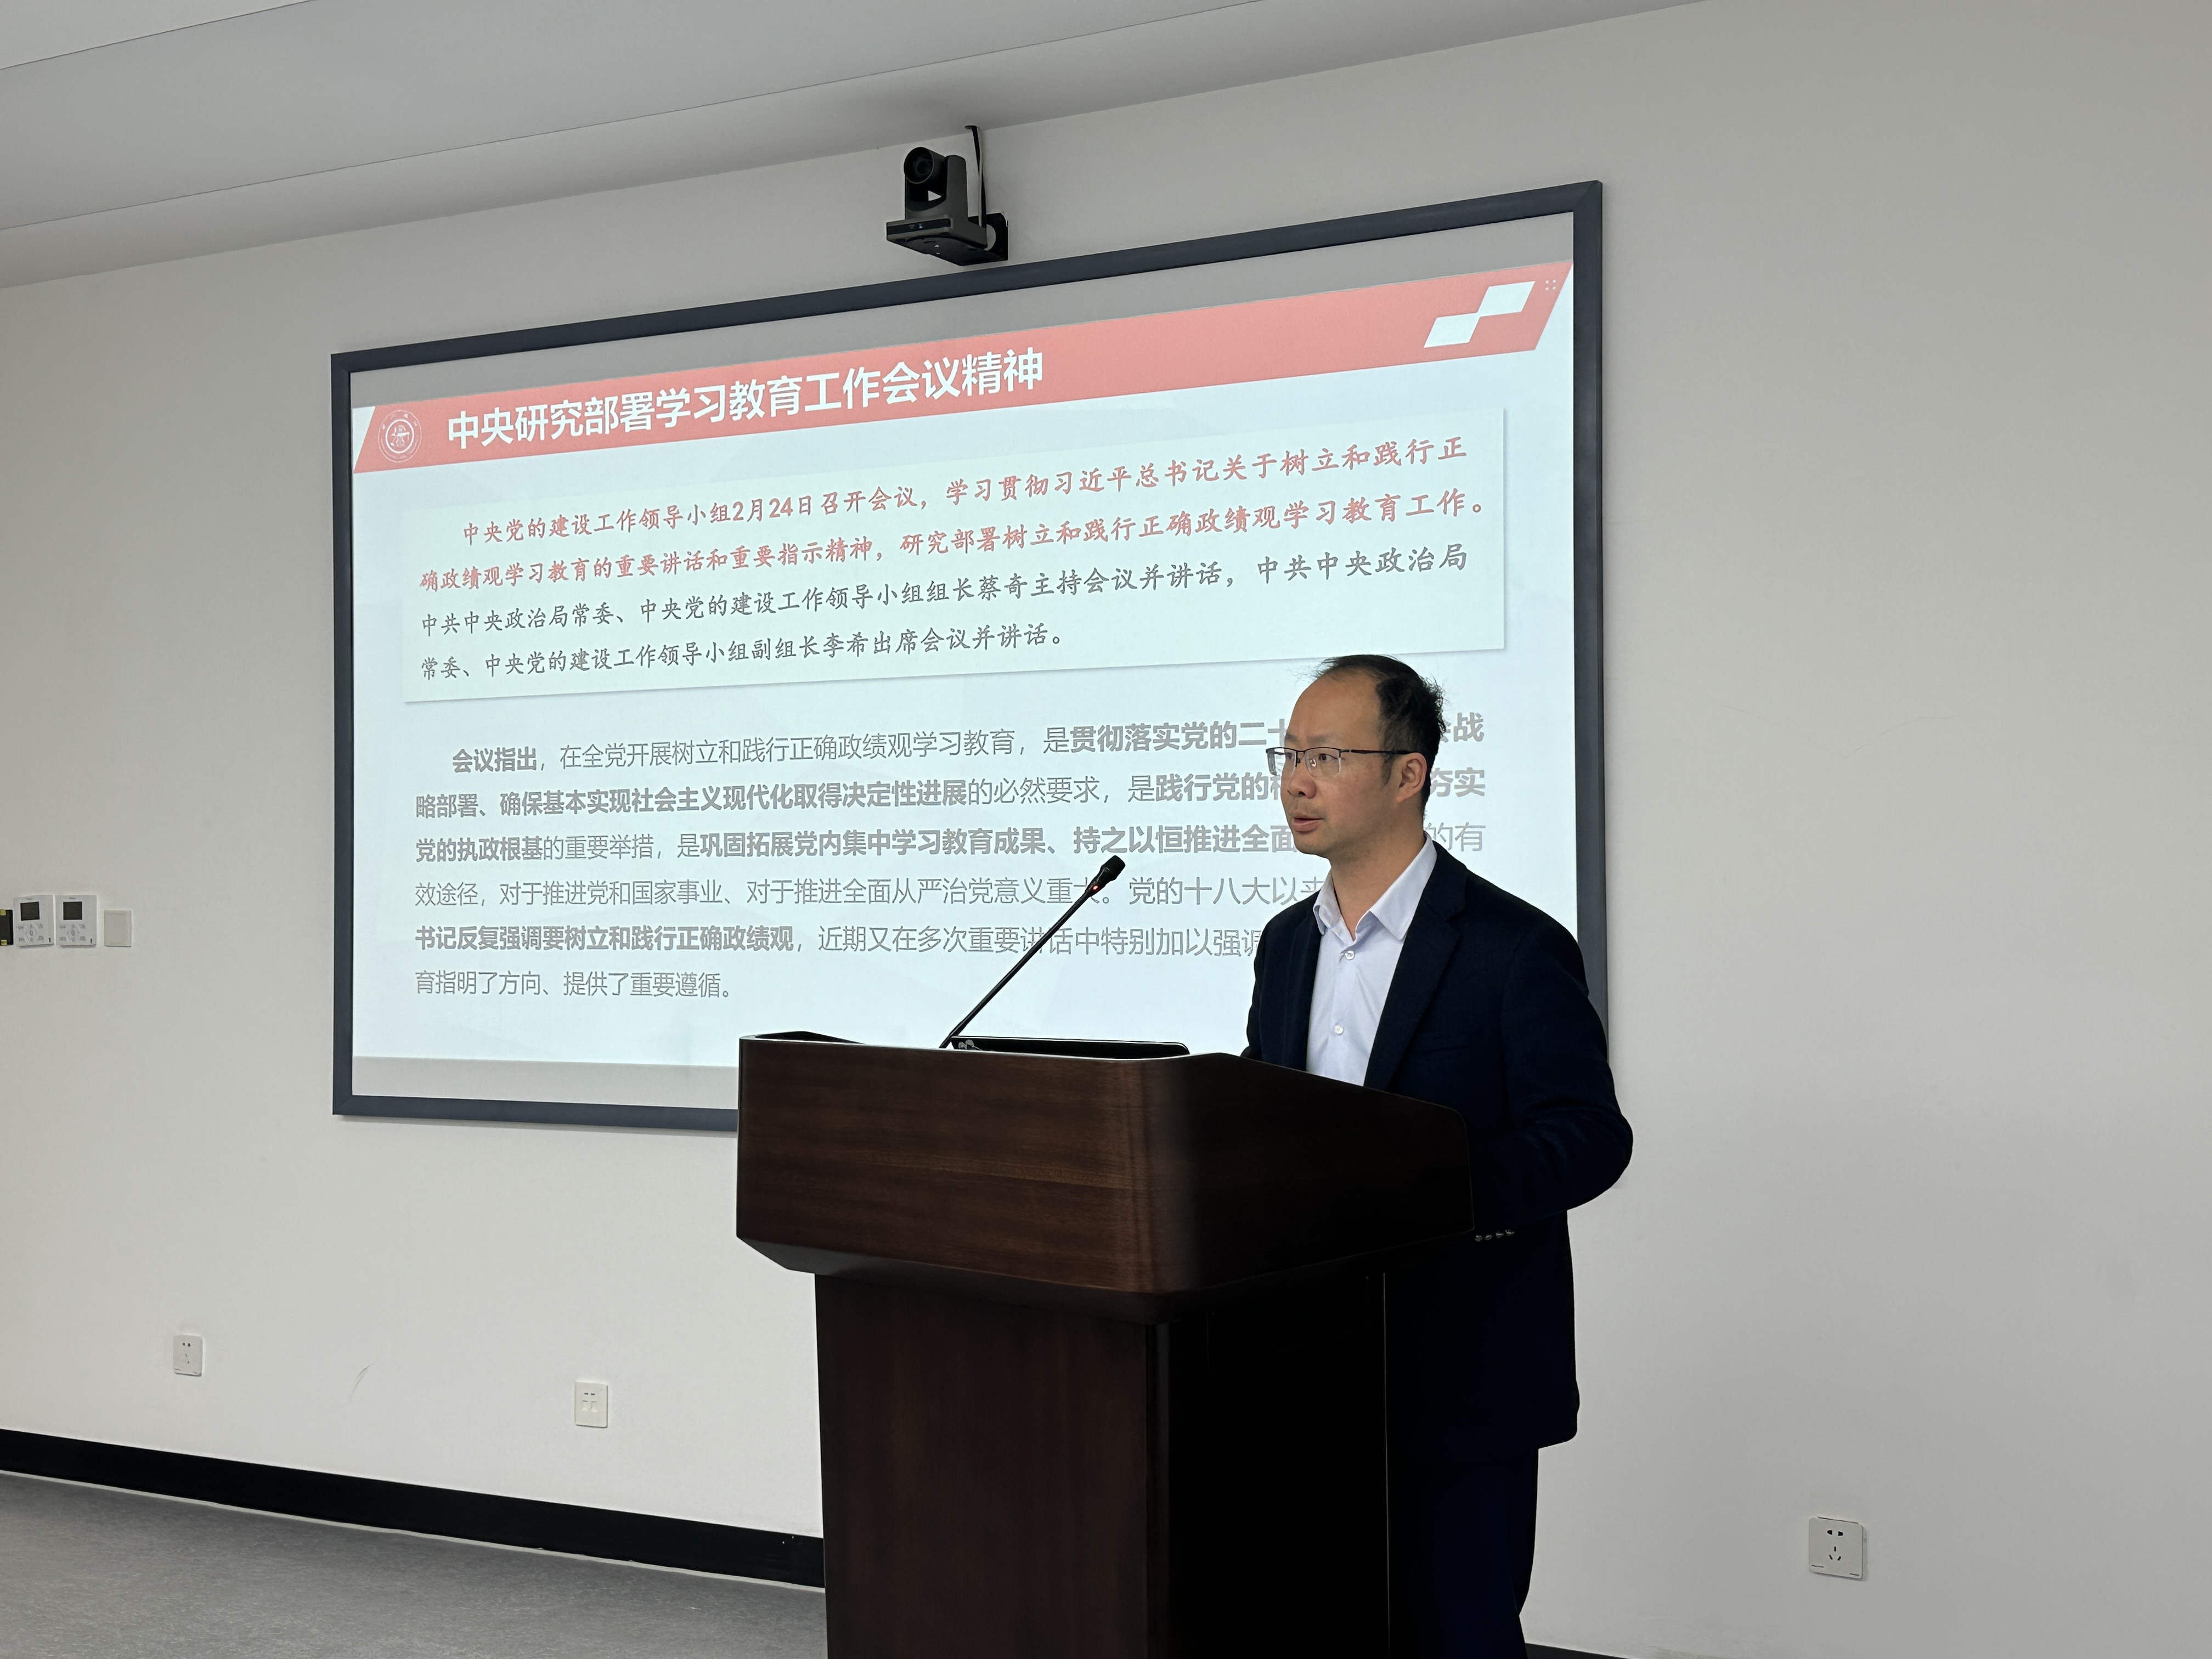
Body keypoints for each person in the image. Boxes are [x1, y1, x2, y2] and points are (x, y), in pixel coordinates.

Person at [1243, 654, 1632, 1657]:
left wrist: (1423, 1193)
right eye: (1290, 755)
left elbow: (1589, 1135)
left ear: (1407, 774)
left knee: (1459, 1633)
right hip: (1306, 1366)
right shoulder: (1286, 945)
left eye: (1327, 756)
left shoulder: (1511, 946)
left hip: (1460, 1366)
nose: (1298, 781)